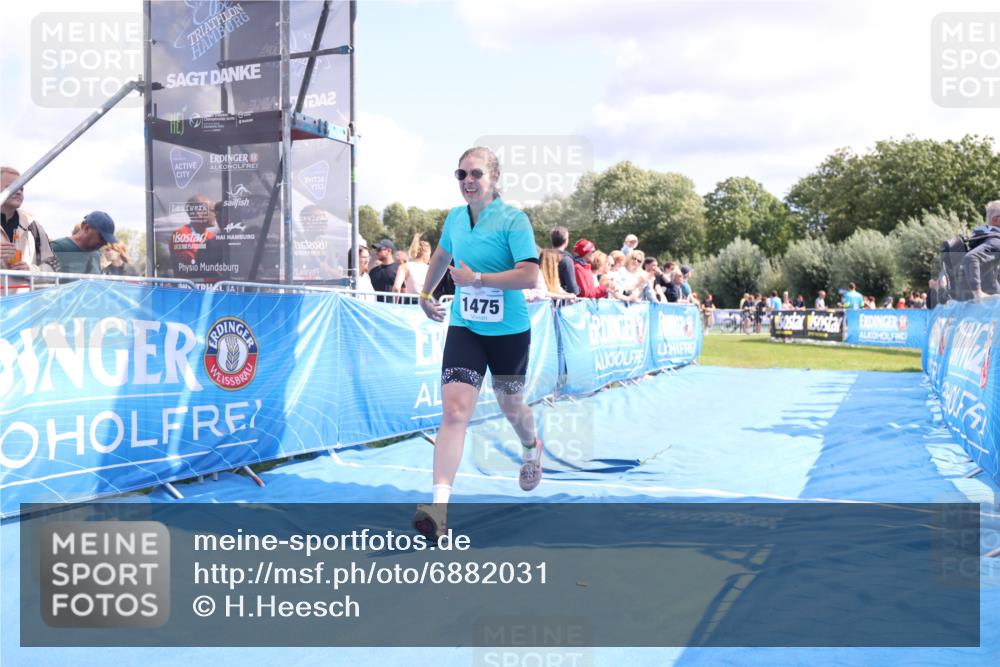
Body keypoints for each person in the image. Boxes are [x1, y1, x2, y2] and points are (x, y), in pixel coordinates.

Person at [413, 146, 542, 540]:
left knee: (510, 404)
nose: (468, 181)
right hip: (466, 327)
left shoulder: (513, 220)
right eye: (461, 175)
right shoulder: (454, 218)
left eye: (476, 174)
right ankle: (438, 509)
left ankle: (531, 444)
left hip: (508, 333)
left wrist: (480, 280)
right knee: (454, 413)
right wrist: (425, 293)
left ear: (494, 178)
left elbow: (530, 276)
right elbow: (440, 255)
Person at [1, 166, 58, 283]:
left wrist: (31, 271)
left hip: (25, 301)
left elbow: (53, 268)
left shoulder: (33, 226)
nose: (18, 192)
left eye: (21, 188)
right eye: (12, 187)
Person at [50, 211, 117, 274]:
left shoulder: (96, 254)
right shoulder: (58, 248)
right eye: (102, 237)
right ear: (86, 228)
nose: (105, 243)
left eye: (106, 240)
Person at [961, 200, 1000, 299]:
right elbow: (971, 257)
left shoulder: (980, 238)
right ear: (996, 220)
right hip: (985, 299)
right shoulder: (996, 241)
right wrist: (978, 292)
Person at [549, 226, 579, 295]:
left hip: (544, 301)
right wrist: (579, 289)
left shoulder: (542, 258)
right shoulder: (566, 260)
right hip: (561, 302)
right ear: (566, 241)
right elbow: (573, 289)